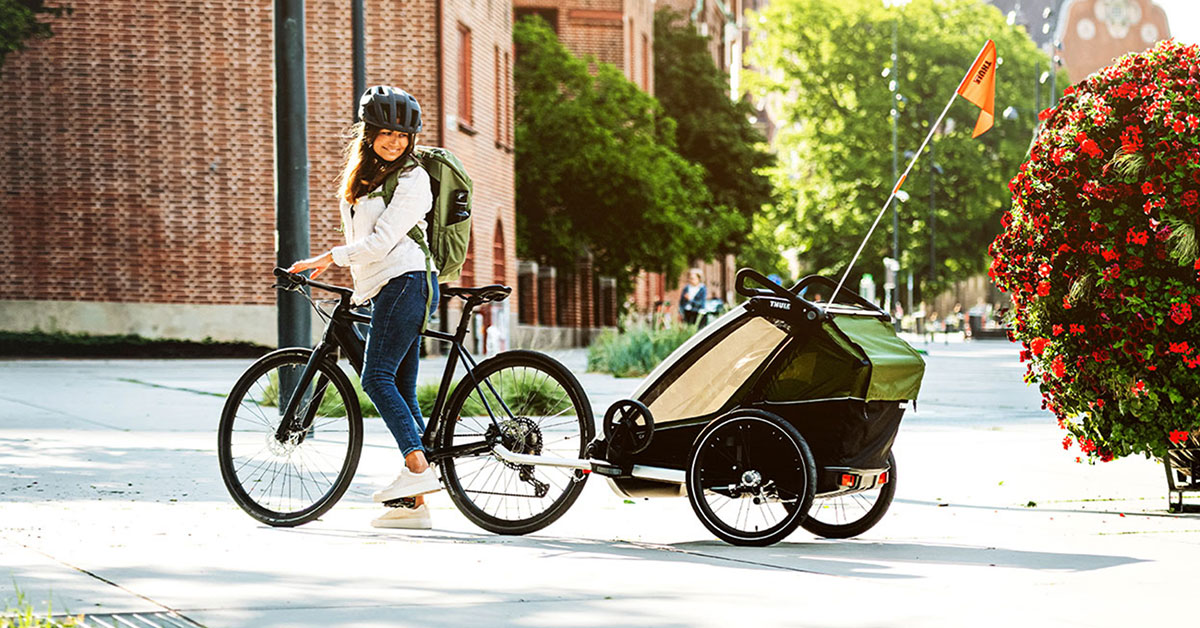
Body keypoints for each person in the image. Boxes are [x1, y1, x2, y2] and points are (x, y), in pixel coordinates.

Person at [287, 86, 440, 530]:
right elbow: (367, 244)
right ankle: (414, 508)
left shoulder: (414, 180)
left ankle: (418, 471)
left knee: (374, 378)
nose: (395, 141)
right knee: (402, 389)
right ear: (369, 133)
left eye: (403, 135)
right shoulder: (366, 177)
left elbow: (378, 243)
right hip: (385, 286)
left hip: (407, 282)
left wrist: (326, 258)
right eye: (386, 133)